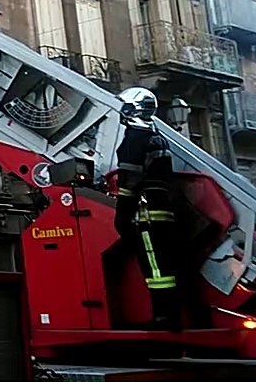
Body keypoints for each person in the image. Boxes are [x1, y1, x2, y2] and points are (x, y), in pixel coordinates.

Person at [113, 87, 183, 331]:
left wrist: (122, 213)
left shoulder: (134, 139)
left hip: (146, 214)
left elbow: (130, 179)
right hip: (162, 210)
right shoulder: (157, 137)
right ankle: (170, 315)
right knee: (165, 265)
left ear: (131, 109)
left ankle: (164, 318)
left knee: (154, 267)